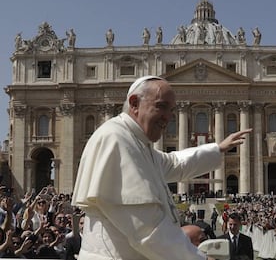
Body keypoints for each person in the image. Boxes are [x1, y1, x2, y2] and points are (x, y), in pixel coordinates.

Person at [71, 75, 251, 260]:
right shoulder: (116, 138)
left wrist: (217, 149)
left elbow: (175, 163)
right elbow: (149, 231)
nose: (168, 117)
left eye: (171, 110)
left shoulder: (138, 144)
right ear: (134, 103)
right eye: (161, 106)